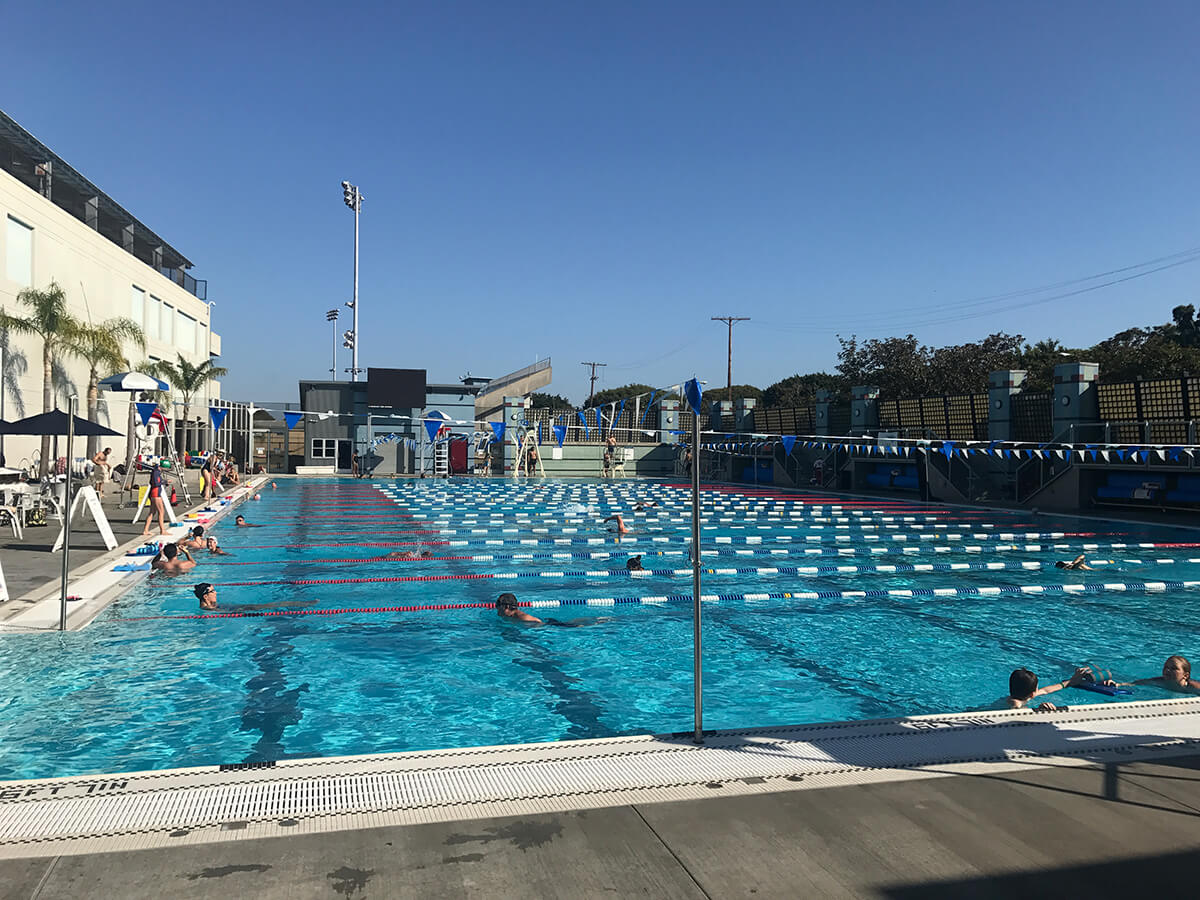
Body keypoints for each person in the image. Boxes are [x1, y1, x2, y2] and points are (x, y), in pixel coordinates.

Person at [996, 666, 1092, 710]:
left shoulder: (1020, 696)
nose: (1039, 690)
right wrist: (1039, 710)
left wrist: (1071, 681)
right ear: (1032, 694)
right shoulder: (1015, 705)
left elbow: (1045, 690)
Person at [193, 583, 317, 613]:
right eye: (213, 591)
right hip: (240, 609)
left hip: (236, 608)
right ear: (206, 596)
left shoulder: (210, 607)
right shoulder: (210, 610)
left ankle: (300, 604)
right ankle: (302, 604)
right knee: (274, 605)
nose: (216, 592)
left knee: (274, 605)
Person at [1108, 656, 1200, 693]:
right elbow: (1136, 683)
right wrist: (1117, 685)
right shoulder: (1160, 682)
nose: (1168, 670)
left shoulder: (1193, 687)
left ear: (1185, 675)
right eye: (1166, 667)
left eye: (1173, 668)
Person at [141, 462, 168, 536]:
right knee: (161, 512)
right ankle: (162, 530)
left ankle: (146, 530)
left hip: (154, 493)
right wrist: (165, 482)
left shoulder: (155, 471)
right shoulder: (156, 472)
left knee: (152, 512)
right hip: (156, 493)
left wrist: (164, 482)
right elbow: (156, 483)